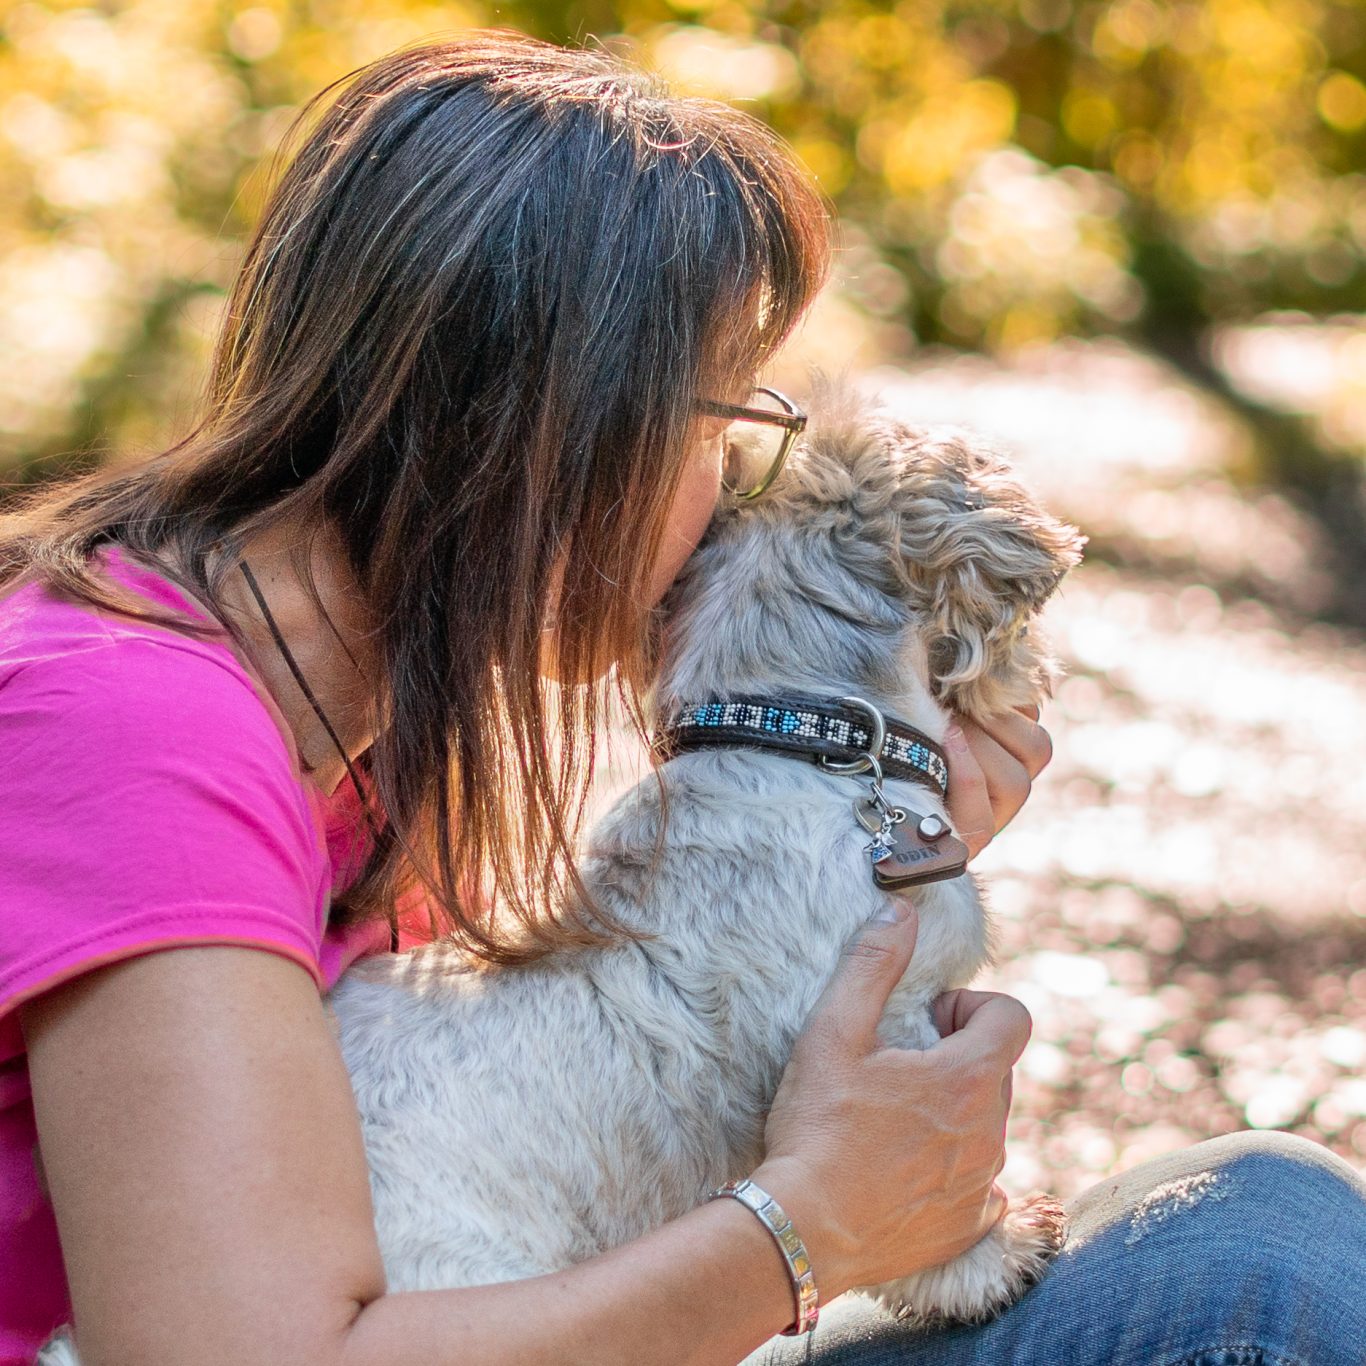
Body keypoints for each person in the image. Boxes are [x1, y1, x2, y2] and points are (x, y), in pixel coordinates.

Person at [1, 29, 1362, 1366]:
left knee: (1257, 1217)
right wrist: (802, 1231)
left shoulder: (345, 719)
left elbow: (566, 1124)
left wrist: (846, 872)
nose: (719, 495)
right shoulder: (136, 729)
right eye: (720, 427)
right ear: (558, 423)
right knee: (1254, 1292)